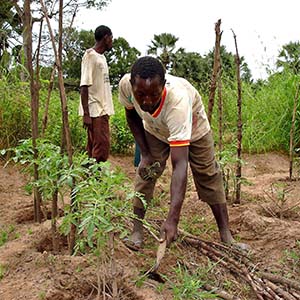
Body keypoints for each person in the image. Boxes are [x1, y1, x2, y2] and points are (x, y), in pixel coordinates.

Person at [119, 56, 248, 250]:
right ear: (132, 86)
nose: (147, 101)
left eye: (154, 94)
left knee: (208, 174)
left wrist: (173, 219)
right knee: (147, 172)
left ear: (164, 85)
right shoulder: (126, 86)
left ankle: (226, 235)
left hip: (194, 131)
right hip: (155, 129)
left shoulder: (177, 101)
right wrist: (145, 153)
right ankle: (136, 231)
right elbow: (131, 114)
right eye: (141, 95)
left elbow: (180, 164)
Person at [79, 25, 114, 163]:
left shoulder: (102, 58)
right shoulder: (90, 56)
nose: (112, 41)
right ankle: (95, 178)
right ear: (106, 38)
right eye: (111, 38)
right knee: (101, 148)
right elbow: (84, 86)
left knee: (96, 146)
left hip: (103, 109)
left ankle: (90, 178)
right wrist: (86, 114)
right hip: (95, 110)